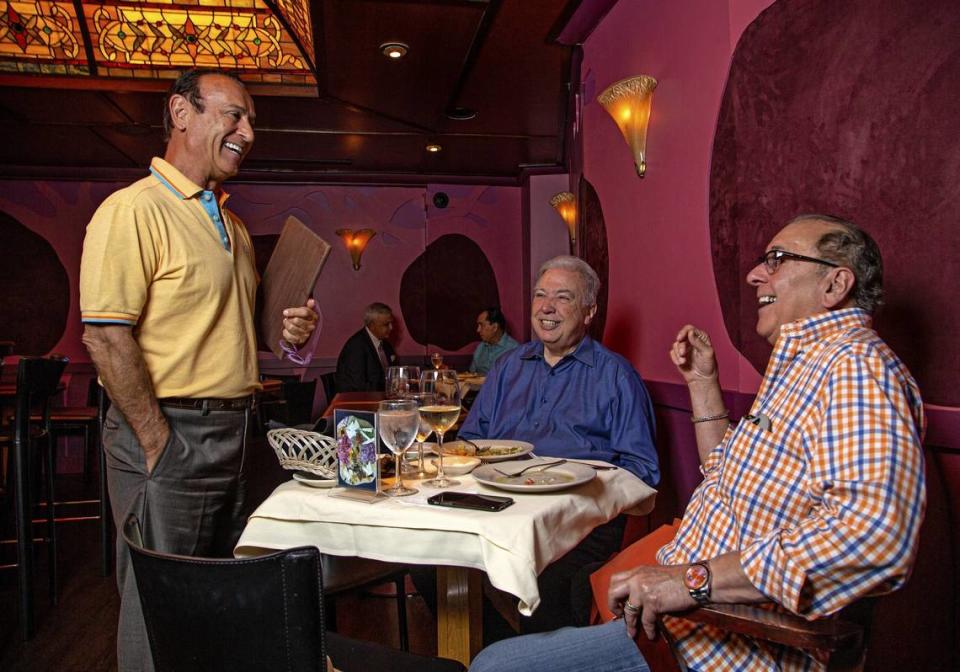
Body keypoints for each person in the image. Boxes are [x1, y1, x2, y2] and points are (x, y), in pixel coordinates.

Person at [468, 215, 926, 672]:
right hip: (678, 624)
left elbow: (874, 535)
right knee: (499, 650)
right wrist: (704, 383)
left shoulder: (856, 368)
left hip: (720, 646)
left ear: (835, 284)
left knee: (496, 666)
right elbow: (726, 478)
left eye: (777, 260)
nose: (754, 274)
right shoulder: (804, 367)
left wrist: (690, 581)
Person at [79, 69, 318, 672]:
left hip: (240, 433)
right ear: (181, 114)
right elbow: (106, 338)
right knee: (162, 610)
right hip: (169, 432)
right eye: (233, 115)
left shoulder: (233, 228)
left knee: (226, 603)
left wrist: (290, 337)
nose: (247, 132)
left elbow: (242, 334)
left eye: (252, 122)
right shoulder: (132, 210)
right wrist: (157, 440)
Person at [458, 255, 658, 634]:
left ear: (589, 312)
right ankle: (497, 651)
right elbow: (469, 443)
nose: (546, 307)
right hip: (497, 512)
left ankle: (518, 657)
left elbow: (642, 471)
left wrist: (582, 485)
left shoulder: (617, 377)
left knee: (548, 585)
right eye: (540, 295)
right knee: (434, 566)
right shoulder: (506, 368)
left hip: (576, 526)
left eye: (563, 297)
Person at [335, 302, 398, 392]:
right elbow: (358, 386)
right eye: (386, 324)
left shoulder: (386, 345)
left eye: (391, 323)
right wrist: (389, 387)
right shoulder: (356, 346)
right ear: (372, 325)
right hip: (355, 401)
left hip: (378, 399)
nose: (391, 328)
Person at [469, 307, 518, 374]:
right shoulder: (480, 348)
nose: (478, 330)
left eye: (481, 325)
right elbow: (470, 375)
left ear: (495, 327)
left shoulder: (515, 350)